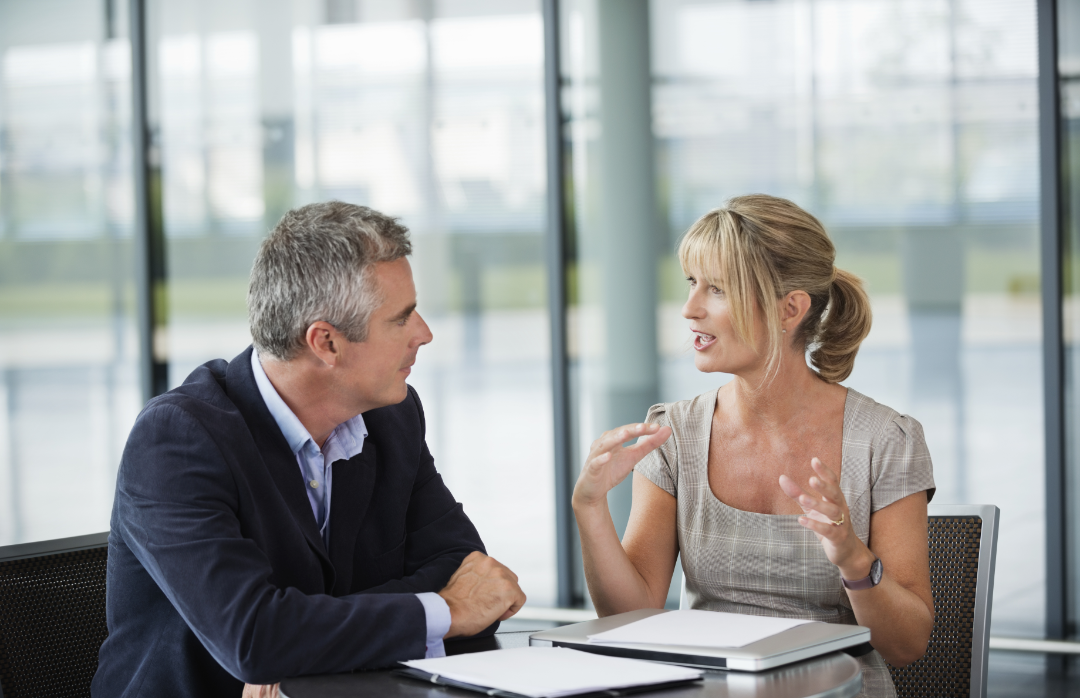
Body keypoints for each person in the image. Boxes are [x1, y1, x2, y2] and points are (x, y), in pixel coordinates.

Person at [93, 202, 527, 698]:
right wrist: (445, 610)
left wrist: (302, 638)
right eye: (401, 318)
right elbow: (256, 638)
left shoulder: (393, 418)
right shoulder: (176, 441)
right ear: (325, 342)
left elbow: (474, 577)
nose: (424, 334)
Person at [573, 194, 935, 697]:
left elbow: (908, 645)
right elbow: (633, 617)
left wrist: (853, 558)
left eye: (717, 289)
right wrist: (590, 508)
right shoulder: (672, 434)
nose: (689, 308)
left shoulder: (885, 440)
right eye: (692, 283)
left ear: (791, 308)